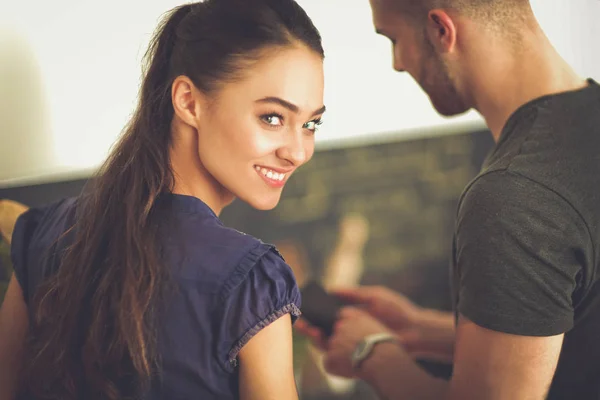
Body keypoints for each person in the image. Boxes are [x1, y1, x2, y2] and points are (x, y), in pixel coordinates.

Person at [0, 0, 325, 399]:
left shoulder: (39, 235)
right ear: (188, 101)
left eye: (310, 123)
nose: (297, 151)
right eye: (272, 117)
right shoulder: (253, 286)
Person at [297, 0, 600, 399]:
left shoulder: (513, 196)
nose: (397, 63)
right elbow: (570, 333)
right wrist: (420, 328)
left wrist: (370, 352)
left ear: (442, 31)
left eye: (393, 40)